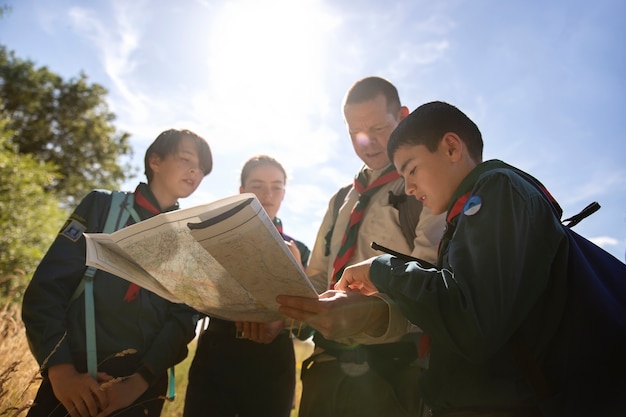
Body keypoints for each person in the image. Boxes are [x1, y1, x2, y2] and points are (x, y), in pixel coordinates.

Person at [277, 101, 576, 416]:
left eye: (412, 169)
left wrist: (383, 269)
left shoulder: (498, 188)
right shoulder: (467, 212)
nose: (408, 187)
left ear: (450, 148)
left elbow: (470, 319)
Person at [22, 128, 213, 417]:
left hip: (141, 395)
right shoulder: (102, 207)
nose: (194, 171)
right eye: (186, 159)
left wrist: (137, 384)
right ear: (155, 161)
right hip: (73, 384)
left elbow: (184, 318)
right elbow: (47, 289)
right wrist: (61, 371)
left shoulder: (189, 239)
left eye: (201, 169)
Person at [294, 77, 446, 417]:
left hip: (394, 375)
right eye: (355, 132)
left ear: (404, 118)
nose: (369, 141)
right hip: (325, 368)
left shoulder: (424, 186)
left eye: (379, 127)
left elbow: (434, 282)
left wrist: (371, 313)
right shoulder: (340, 201)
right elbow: (318, 276)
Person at [183, 155, 311, 417]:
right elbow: (191, 303)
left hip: (273, 366)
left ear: (284, 193)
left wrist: (295, 280)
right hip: (215, 362)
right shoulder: (213, 240)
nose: (268, 194)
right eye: (258, 185)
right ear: (241, 191)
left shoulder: (301, 251)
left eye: (276, 186)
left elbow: (307, 329)